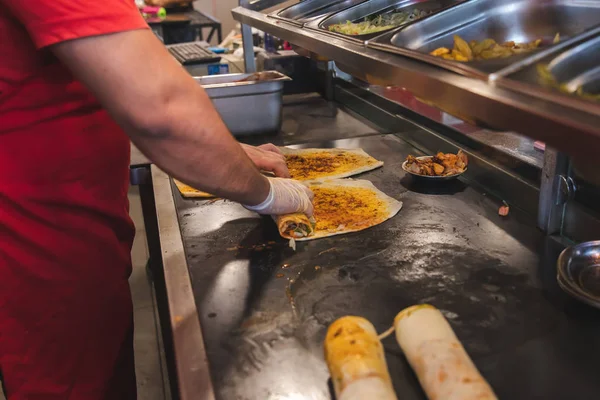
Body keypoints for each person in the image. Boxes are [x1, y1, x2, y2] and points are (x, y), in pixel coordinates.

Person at [0, 0, 313, 398]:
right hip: (40, 257)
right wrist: (268, 194)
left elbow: (90, 82)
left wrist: (223, 153)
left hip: (77, 241)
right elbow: (160, 108)